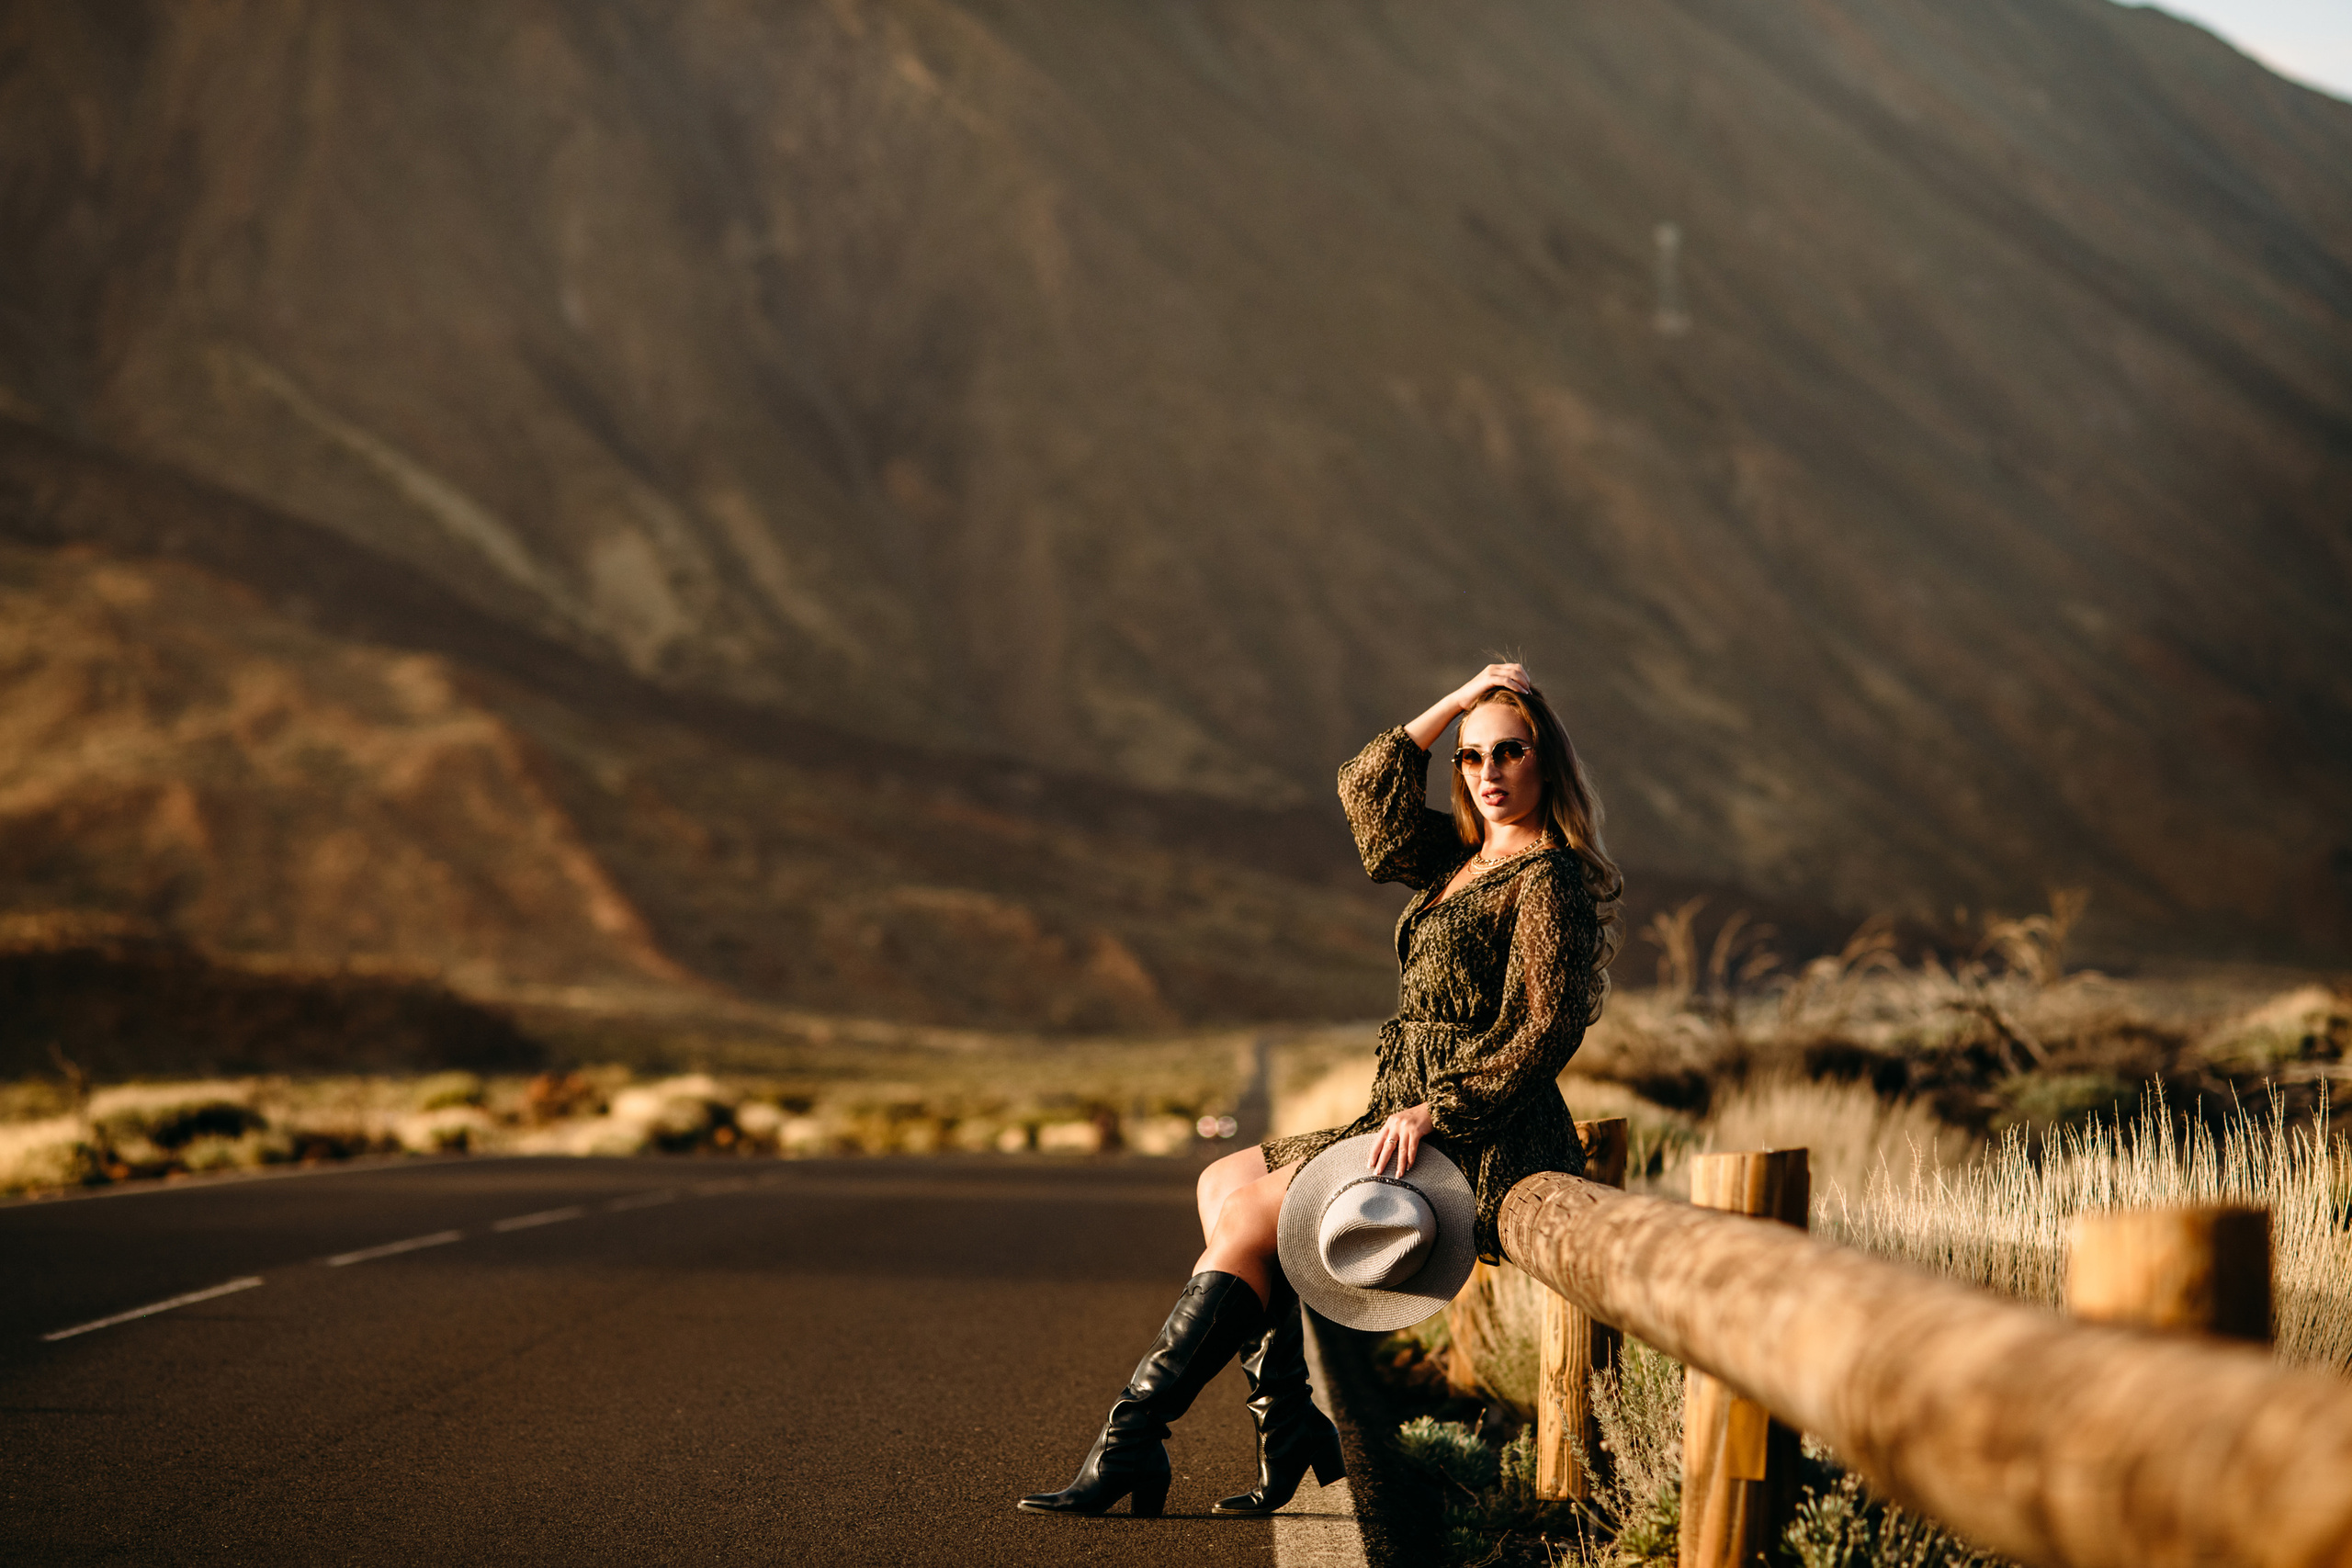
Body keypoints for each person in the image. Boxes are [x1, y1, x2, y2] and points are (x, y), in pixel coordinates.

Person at [1018, 662, 1623, 1519]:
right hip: (1400, 1116)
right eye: (1470, 756)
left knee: (1252, 1217)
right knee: (1220, 1181)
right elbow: (1368, 796)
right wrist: (1457, 699)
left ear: (1546, 762)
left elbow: (1546, 1025)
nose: (1487, 772)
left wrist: (1438, 1106)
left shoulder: (1546, 878)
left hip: (1473, 1130)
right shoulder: (1459, 858)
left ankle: (1132, 1441)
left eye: (1509, 751)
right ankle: (1291, 1426)